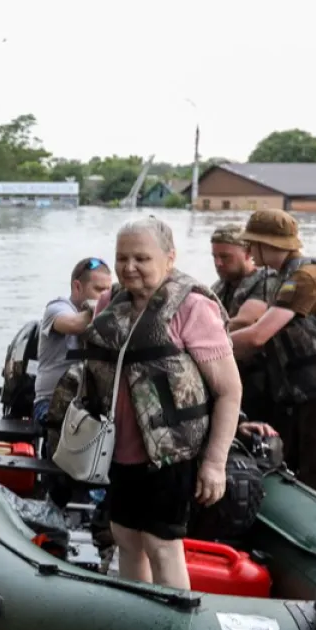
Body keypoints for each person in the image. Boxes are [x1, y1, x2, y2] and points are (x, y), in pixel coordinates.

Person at [66, 217, 241, 589]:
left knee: (162, 545)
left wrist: (214, 463)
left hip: (171, 454)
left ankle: (173, 625)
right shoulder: (107, 303)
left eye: (142, 258)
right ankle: (138, 618)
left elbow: (229, 390)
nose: (130, 267)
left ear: (169, 258)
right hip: (119, 450)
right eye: (123, 258)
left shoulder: (192, 307)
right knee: (125, 538)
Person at [229, 208, 316, 496]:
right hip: (303, 393)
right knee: (297, 468)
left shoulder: (304, 278)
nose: (248, 249)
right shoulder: (286, 276)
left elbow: (259, 335)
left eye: (252, 243)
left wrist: (207, 348)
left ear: (267, 244)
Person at [208, 223, 281, 425]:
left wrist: (200, 338)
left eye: (225, 257)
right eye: (214, 256)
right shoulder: (220, 286)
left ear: (248, 253)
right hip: (229, 373)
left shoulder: (266, 280)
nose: (218, 263)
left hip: (260, 380)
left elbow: (245, 321)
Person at [32, 257, 113, 427]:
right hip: (49, 404)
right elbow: (75, 325)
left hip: (86, 404)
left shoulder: (107, 315)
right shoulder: (57, 308)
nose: (105, 296)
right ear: (77, 287)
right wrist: (103, 307)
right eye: (99, 290)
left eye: (108, 291)